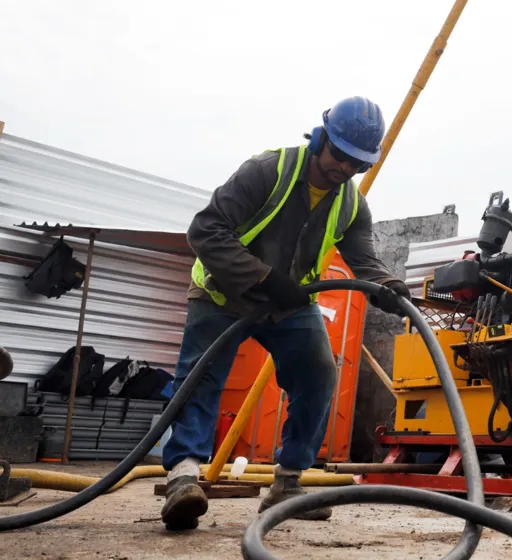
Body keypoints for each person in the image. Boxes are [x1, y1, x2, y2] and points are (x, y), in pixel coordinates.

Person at [160, 96, 411, 531]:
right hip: (223, 292)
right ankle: (183, 477)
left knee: (318, 373)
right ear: (320, 138)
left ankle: (288, 482)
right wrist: (261, 277)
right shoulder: (267, 171)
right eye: (340, 156)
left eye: (358, 165)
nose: (345, 170)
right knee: (200, 378)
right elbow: (205, 230)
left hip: (289, 304)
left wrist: (386, 286)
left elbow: (364, 260)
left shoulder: (352, 204)